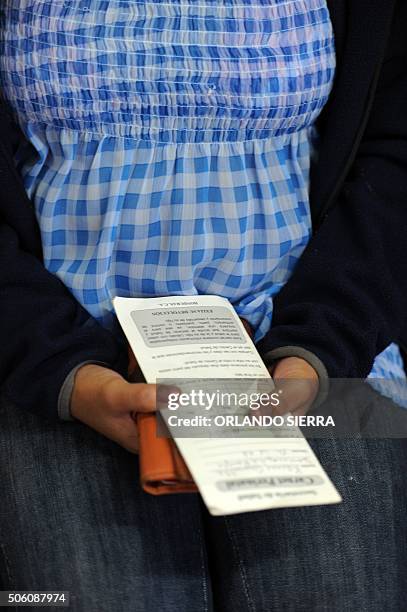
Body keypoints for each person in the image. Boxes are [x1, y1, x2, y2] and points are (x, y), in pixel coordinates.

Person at [0, 0, 406, 610]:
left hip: (317, 357)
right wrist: (62, 372)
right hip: (48, 362)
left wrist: (319, 351)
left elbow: (395, 154)